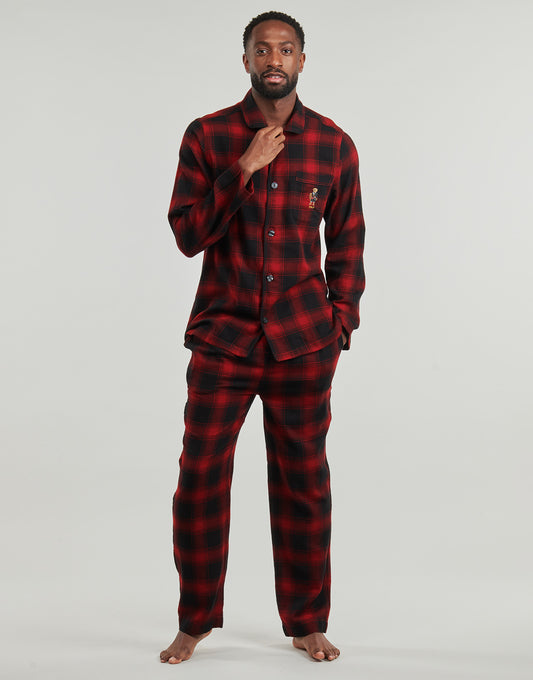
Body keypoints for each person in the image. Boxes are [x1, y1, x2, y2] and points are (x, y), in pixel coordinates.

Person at [160, 10, 365, 664]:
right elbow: (187, 234)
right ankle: (194, 619)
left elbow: (348, 245)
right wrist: (242, 169)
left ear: (301, 60)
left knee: (303, 483)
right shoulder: (208, 135)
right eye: (262, 49)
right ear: (246, 59)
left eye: (285, 49)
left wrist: (340, 324)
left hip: (303, 344)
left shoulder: (333, 145)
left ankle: (306, 621)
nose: (273, 59)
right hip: (223, 339)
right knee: (199, 479)